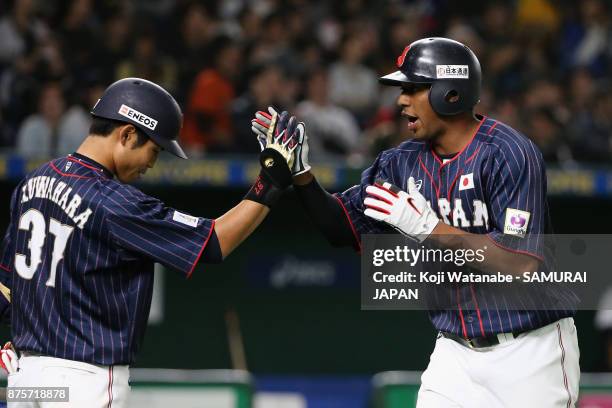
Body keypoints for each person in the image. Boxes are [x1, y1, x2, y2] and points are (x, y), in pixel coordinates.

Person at [253, 38, 580, 407]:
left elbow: (519, 263)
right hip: (454, 353)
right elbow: (339, 227)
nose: (401, 100)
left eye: (413, 88)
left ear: (450, 91)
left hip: (529, 350)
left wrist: (429, 228)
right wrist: (302, 175)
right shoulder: (399, 163)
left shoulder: (508, 152)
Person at [0, 77, 298, 407]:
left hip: (25, 378)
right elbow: (214, 242)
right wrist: (272, 180)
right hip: (84, 379)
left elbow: (5, 288)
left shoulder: (32, 183)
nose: (152, 162)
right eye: (153, 149)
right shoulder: (114, 202)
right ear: (127, 134)